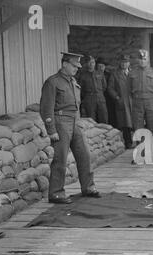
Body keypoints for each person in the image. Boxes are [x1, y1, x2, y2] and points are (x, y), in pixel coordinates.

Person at [40, 52, 101, 204]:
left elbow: (76, 106)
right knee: (60, 159)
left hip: (75, 122)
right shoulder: (52, 82)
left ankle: (88, 187)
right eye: (74, 66)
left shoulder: (73, 81)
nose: (76, 69)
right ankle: (56, 193)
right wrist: (51, 130)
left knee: (85, 155)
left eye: (78, 66)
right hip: (60, 123)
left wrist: (78, 122)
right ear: (64, 64)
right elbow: (46, 108)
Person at [129, 49, 153, 138]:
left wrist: (150, 97)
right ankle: (141, 149)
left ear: (148, 60)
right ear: (138, 60)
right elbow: (129, 89)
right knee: (138, 126)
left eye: (144, 59)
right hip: (137, 101)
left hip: (150, 100)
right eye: (140, 59)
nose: (142, 61)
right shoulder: (132, 73)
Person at [108, 54, 133, 149]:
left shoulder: (132, 73)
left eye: (126, 62)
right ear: (120, 63)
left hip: (132, 101)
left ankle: (138, 142)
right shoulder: (115, 74)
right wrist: (117, 97)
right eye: (122, 62)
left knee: (135, 121)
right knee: (125, 123)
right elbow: (110, 88)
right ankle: (128, 142)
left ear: (129, 63)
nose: (124, 64)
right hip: (122, 101)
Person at [78, 55, 108, 123]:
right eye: (89, 62)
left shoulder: (100, 73)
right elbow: (81, 89)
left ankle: (104, 133)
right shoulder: (83, 75)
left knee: (104, 118)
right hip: (89, 99)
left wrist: (99, 93)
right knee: (91, 120)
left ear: (95, 63)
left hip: (100, 98)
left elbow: (104, 86)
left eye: (93, 62)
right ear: (86, 64)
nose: (91, 64)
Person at [96, 57, 116, 128]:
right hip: (99, 98)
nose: (101, 68)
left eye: (103, 66)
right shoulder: (95, 75)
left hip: (109, 98)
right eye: (99, 66)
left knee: (110, 115)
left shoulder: (109, 75)